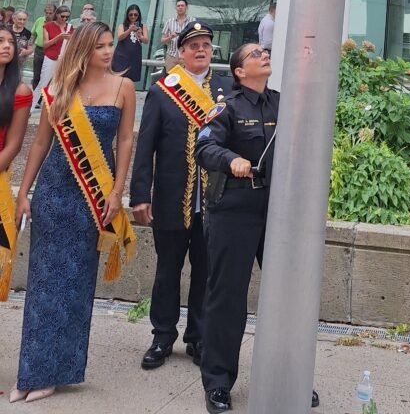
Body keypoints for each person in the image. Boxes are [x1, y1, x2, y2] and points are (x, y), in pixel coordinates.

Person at [12, 22, 136, 402]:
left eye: (109, 45)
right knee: (42, 285)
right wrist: (24, 192)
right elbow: (40, 144)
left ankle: (56, 371)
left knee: (75, 285)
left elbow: (125, 140)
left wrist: (117, 191)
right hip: (53, 192)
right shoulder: (60, 87)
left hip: (92, 198)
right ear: (83, 49)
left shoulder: (124, 87)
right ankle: (31, 372)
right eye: (100, 46)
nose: (107, 51)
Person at [195, 43, 319, 413]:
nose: (264, 54)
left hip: (279, 211)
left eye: (265, 51)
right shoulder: (228, 107)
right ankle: (218, 382)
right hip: (234, 210)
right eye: (254, 54)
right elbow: (204, 147)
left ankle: (290, 380)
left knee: (287, 298)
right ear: (239, 71)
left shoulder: (283, 103)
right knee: (227, 298)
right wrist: (231, 159)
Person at [130, 22, 229, 371]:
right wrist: (140, 194)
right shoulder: (163, 90)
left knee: (205, 273)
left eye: (206, 45)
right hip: (172, 198)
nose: (201, 50)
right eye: (194, 45)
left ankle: (198, 337)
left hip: (214, 202)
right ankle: (162, 336)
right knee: (167, 271)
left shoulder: (226, 90)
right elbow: (146, 147)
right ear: (182, 51)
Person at [0, 28, 33, 300]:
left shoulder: (20, 91)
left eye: (11, 42)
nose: (6, 46)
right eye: (0, 41)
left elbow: (14, 145)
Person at [34, 6, 74, 108]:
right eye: (62, 16)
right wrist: (58, 38)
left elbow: (73, 45)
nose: (65, 19)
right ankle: (31, 106)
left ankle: (51, 108)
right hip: (50, 57)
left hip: (63, 59)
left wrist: (70, 39)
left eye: (67, 17)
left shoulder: (70, 27)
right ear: (57, 15)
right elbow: (45, 44)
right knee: (43, 83)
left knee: (57, 85)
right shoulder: (48, 26)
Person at [112, 4, 149, 83]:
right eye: (131, 14)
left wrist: (140, 35)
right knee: (119, 77)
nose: (133, 16)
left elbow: (146, 41)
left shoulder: (143, 26)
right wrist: (129, 30)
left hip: (134, 57)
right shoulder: (122, 26)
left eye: (135, 15)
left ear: (138, 15)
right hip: (122, 56)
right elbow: (119, 37)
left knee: (131, 79)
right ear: (127, 15)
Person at [161, 0, 192, 73]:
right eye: (178, 6)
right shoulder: (169, 22)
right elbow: (162, 40)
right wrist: (170, 37)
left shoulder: (192, 21)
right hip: (171, 56)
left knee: (184, 78)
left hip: (186, 56)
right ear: (176, 8)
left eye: (182, 6)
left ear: (186, 7)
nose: (180, 7)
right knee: (170, 78)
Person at [30, 5, 55, 93]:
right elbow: (33, 35)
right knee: (37, 74)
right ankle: (35, 95)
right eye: (46, 13)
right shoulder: (39, 20)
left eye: (50, 13)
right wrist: (30, 46)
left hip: (51, 51)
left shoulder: (57, 23)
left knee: (48, 76)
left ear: (54, 13)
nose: (48, 15)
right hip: (39, 51)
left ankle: (43, 96)